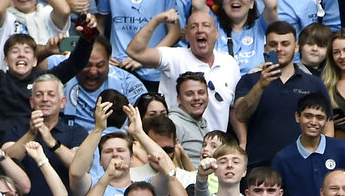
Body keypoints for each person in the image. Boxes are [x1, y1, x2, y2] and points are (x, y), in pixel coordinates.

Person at [233, 22, 330, 167]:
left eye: (285, 44)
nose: (279, 49)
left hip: (303, 165)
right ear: (265, 48)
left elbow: (328, 127)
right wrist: (260, 86)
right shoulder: (250, 80)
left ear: (296, 47)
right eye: (273, 44)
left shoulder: (314, 84)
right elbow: (240, 115)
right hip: (259, 168)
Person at [127, 9, 240, 134]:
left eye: (206, 25)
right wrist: (156, 20)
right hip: (178, 144)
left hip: (215, 147)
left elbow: (233, 108)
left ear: (217, 34)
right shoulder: (174, 57)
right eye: (193, 26)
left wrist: (242, 141)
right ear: (186, 35)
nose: (200, 30)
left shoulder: (230, 64)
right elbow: (135, 51)